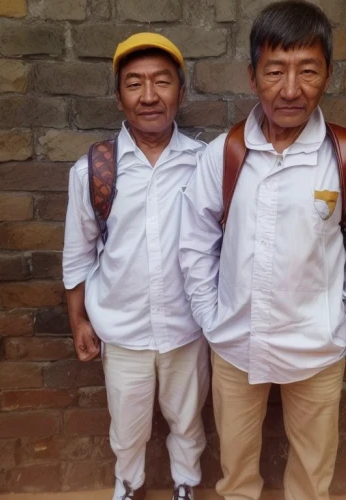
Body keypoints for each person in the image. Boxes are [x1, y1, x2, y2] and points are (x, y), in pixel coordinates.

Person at [179, 1, 346, 499]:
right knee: (235, 472)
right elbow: (195, 243)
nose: (291, 89)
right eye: (275, 71)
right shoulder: (224, 154)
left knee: (312, 475)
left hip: (317, 346)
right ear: (252, 76)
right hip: (234, 342)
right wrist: (212, 318)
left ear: (329, 75)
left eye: (308, 71)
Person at [63, 33, 209, 500]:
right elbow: (78, 252)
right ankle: (129, 487)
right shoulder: (93, 171)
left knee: (188, 419)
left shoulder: (204, 163)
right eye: (135, 84)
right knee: (127, 426)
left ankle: (186, 485)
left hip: (189, 328)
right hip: (122, 330)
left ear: (180, 93)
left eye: (162, 82)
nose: (149, 96)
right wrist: (78, 319)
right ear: (119, 96)